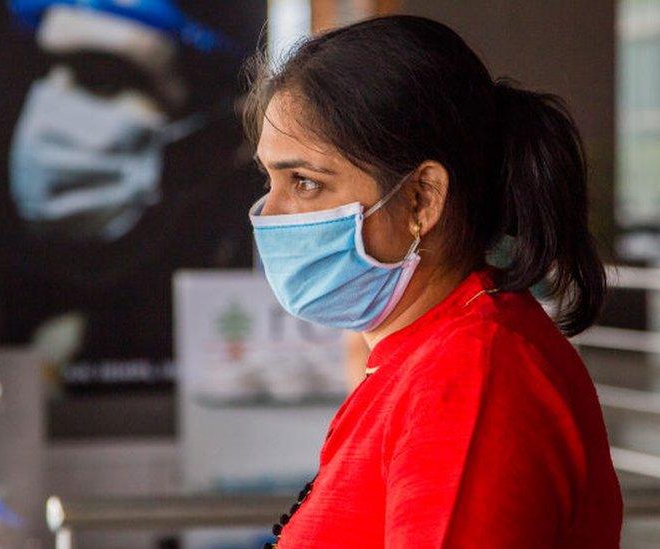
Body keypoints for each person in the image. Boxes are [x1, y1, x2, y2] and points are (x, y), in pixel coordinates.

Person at [246, 15, 623, 548]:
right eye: (271, 179)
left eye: (305, 182)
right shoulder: (420, 353)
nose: (271, 214)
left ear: (422, 199)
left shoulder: (472, 376)